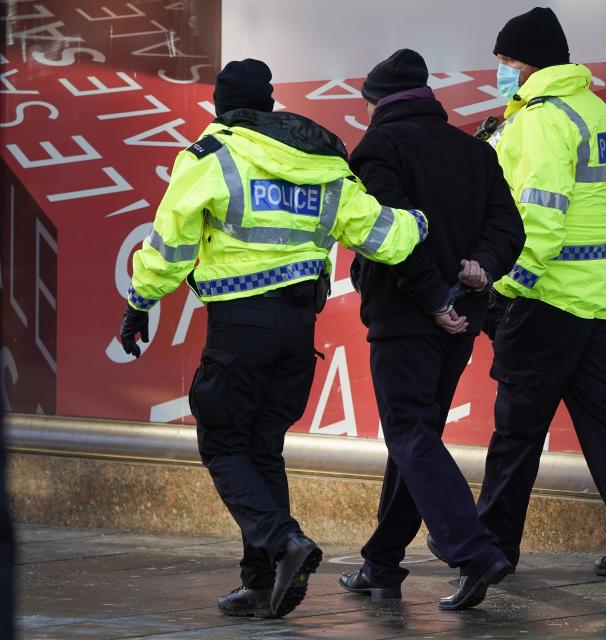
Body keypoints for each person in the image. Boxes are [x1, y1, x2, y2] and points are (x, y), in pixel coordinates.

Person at [117, 58, 428, 619]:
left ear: (221, 106)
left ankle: (284, 543)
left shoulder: (211, 157)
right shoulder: (320, 159)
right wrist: (427, 223)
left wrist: (139, 302)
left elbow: (169, 248)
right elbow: (380, 233)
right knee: (262, 447)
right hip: (297, 331)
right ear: (268, 104)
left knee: (222, 442)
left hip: (241, 328)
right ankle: (260, 584)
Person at [430, 7, 606, 579]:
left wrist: (508, 284)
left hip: (549, 298)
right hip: (604, 296)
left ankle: (491, 547)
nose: (502, 71)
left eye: (507, 61)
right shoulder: (594, 110)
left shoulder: (540, 120)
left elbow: (540, 216)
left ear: (528, 61)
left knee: (517, 428)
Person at [338, 49, 524, 610]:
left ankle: (473, 550)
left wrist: (429, 297)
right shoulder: (472, 149)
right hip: (461, 315)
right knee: (415, 435)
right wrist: (483, 265)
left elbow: (387, 235)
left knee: (409, 433)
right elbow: (507, 226)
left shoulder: (377, 149)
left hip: (407, 315)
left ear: (377, 103)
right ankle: (382, 562)